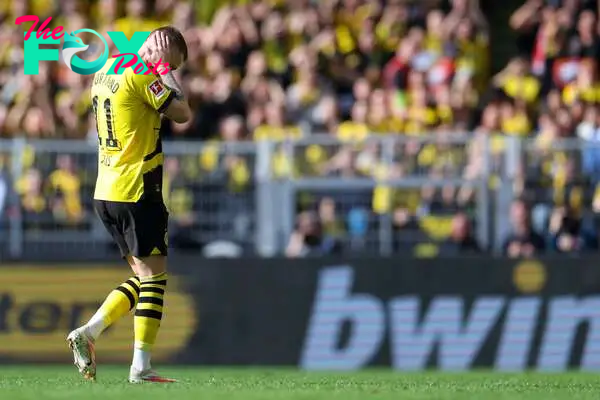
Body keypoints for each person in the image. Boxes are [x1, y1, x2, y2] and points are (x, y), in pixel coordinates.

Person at [66, 27, 191, 383]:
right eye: (174, 63)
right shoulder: (142, 72)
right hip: (137, 188)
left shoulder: (106, 67)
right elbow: (183, 114)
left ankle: (89, 332)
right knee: (156, 279)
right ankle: (141, 367)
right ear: (163, 50)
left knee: (143, 276)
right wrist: (168, 76)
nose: (171, 70)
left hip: (105, 189)